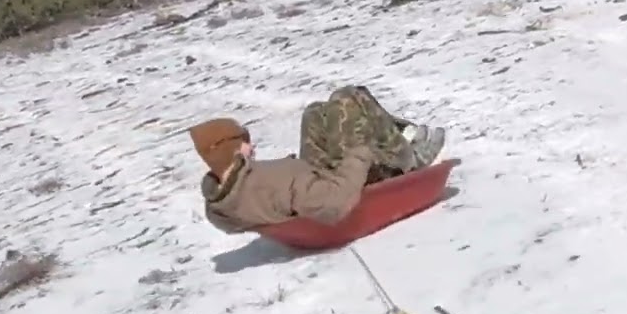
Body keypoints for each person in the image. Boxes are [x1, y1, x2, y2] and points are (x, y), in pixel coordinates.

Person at [189, 85, 445, 233]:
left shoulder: (220, 200)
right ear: (228, 150)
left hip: (314, 177)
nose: (252, 146)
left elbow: (272, 193)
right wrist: (359, 153)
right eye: (244, 143)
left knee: (315, 112)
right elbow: (336, 203)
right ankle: (408, 156)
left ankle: (401, 134)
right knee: (348, 99)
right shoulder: (274, 183)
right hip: (343, 185)